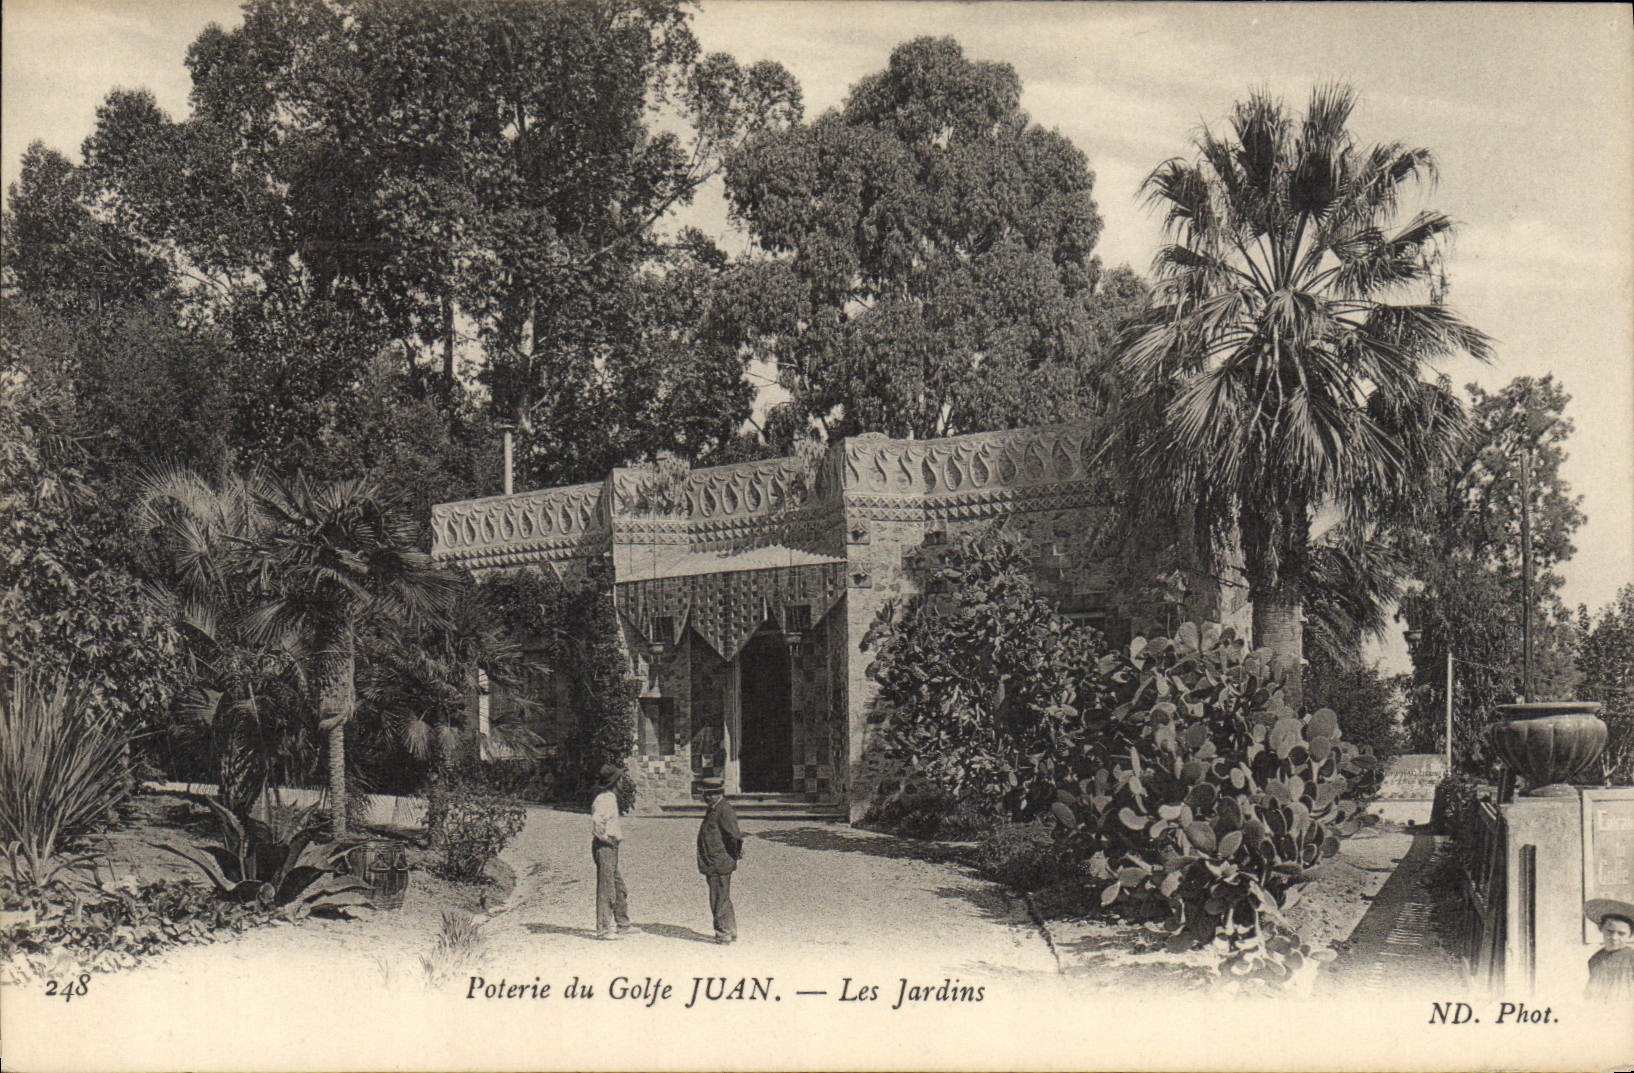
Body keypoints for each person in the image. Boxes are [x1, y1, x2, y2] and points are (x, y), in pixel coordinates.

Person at [696, 777, 744, 944]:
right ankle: (730, 930)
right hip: (714, 861)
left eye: (708, 795)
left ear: (717, 794)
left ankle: (723, 933)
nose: (705, 798)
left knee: (718, 898)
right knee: (722, 897)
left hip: (719, 862)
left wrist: (731, 856)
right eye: (705, 794)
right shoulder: (714, 808)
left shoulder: (724, 810)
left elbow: (734, 836)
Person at [590, 763, 632, 940]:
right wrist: (607, 840)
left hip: (612, 846)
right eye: (620, 779)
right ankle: (603, 929)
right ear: (615, 782)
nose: (622, 782)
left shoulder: (611, 798)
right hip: (605, 846)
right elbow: (597, 823)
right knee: (607, 887)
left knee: (618, 886)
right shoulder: (604, 799)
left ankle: (623, 923)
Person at [1583, 898, 1634, 1001]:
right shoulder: (1596, 959)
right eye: (1610, 931)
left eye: (1621, 933)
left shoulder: (1632, 958)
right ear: (1601, 929)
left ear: (1630, 935)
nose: (1614, 937)